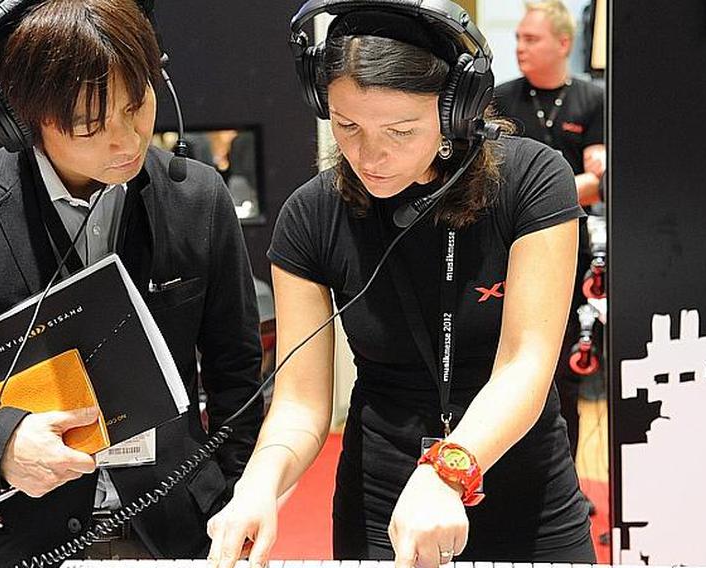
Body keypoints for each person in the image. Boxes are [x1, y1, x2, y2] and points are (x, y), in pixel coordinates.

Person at [206, 1, 594, 566]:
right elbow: (300, 403)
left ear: (455, 111)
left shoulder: (533, 180)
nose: (370, 155)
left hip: (524, 482)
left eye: (400, 130)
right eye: (347, 126)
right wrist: (260, 484)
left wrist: (447, 470)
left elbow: (526, 367)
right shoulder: (310, 217)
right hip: (382, 495)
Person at [0, 1, 263, 565]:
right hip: (13, 535)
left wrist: (236, 496)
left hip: (181, 531)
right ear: (20, 120)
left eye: (136, 104)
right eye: (88, 126)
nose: (126, 142)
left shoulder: (198, 198)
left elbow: (236, 373)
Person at [492, 0, 606, 465]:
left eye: (531, 39)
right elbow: (492, 180)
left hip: (574, 258)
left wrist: (544, 195)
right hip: (505, 253)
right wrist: (571, 186)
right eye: (518, 38)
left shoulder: (592, 98)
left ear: (564, 43)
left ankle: (569, 482)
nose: (520, 47)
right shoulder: (499, 98)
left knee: (565, 380)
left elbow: (600, 178)